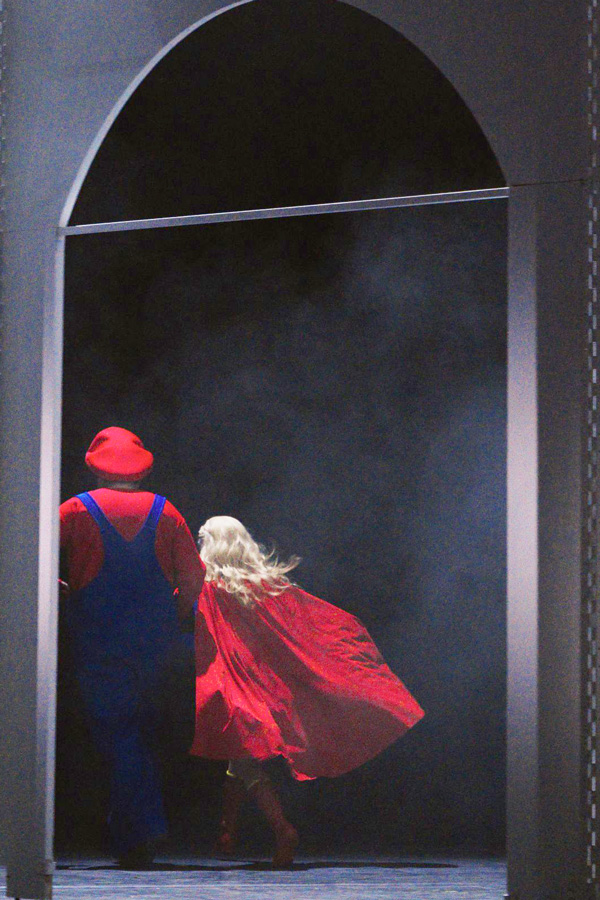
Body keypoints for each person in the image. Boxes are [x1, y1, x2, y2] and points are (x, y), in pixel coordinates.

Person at [190, 515, 425, 867]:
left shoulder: (209, 587)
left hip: (240, 683)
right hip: (267, 683)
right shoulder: (267, 585)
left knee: (243, 759)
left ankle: (280, 829)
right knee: (239, 758)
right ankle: (227, 831)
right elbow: (300, 626)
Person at [60, 426, 205, 867]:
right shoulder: (166, 511)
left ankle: (136, 834)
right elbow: (193, 578)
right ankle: (139, 831)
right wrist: (173, 615)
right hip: (155, 641)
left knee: (118, 733)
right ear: (141, 468)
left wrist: (56, 588)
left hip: (98, 637)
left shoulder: (74, 509)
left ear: (96, 466)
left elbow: (30, 556)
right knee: (141, 732)